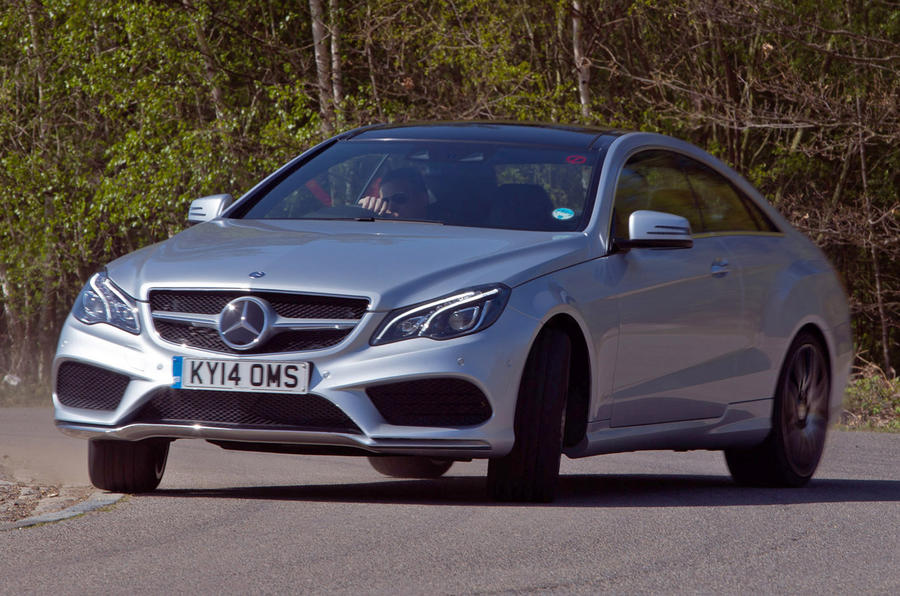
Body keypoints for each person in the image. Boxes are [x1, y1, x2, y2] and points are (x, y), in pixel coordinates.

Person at [357, 167, 429, 219]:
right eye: (385, 201)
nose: (391, 207)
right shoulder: (381, 228)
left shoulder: (438, 227)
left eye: (399, 199)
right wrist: (362, 210)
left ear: (422, 199)